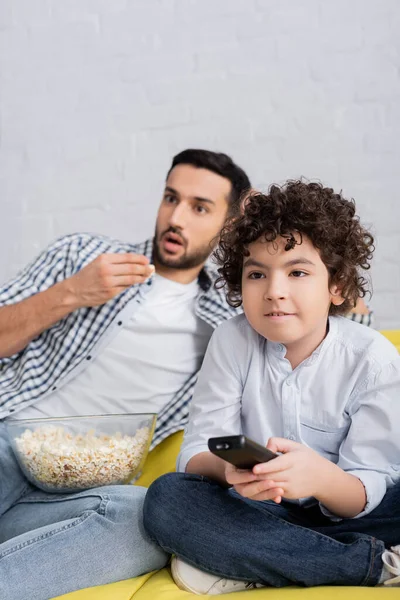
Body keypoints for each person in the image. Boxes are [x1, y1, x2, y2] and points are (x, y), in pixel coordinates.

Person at [0, 149, 251, 600]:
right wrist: (72, 292)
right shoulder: (83, 255)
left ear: (229, 225)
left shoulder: (228, 322)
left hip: (81, 488)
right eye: (170, 198)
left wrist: (344, 298)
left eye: (199, 207)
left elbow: (307, 338)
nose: (176, 218)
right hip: (9, 446)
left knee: (148, 519)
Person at [143, 180, 400, 593]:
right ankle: (369, 563)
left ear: (336, 286)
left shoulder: (374, 359)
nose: (274, 292)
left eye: (297, 272)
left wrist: (319, 479)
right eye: (257, 274)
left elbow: (368, 485)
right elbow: (196, 452)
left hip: (356, 511)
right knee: (167, 500)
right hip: (261, 509)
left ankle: (253, 560)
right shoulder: (231, 340)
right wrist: (228, 471)